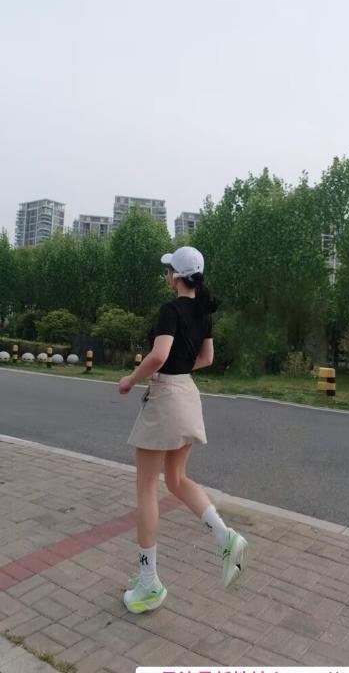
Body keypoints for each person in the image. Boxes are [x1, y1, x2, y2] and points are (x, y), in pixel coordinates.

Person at [118, 246, 248, 614]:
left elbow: (159, 356)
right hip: (188, 394)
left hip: (165, 397)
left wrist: (131, 379)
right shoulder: (203, 313)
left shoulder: (170, 310)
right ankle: (226, 537)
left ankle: (148, 583)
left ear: (175, 276)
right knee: (176, 479)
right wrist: (180, 368)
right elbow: (207, 358)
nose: (167, 275)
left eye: (168, 270)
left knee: (146, 487)